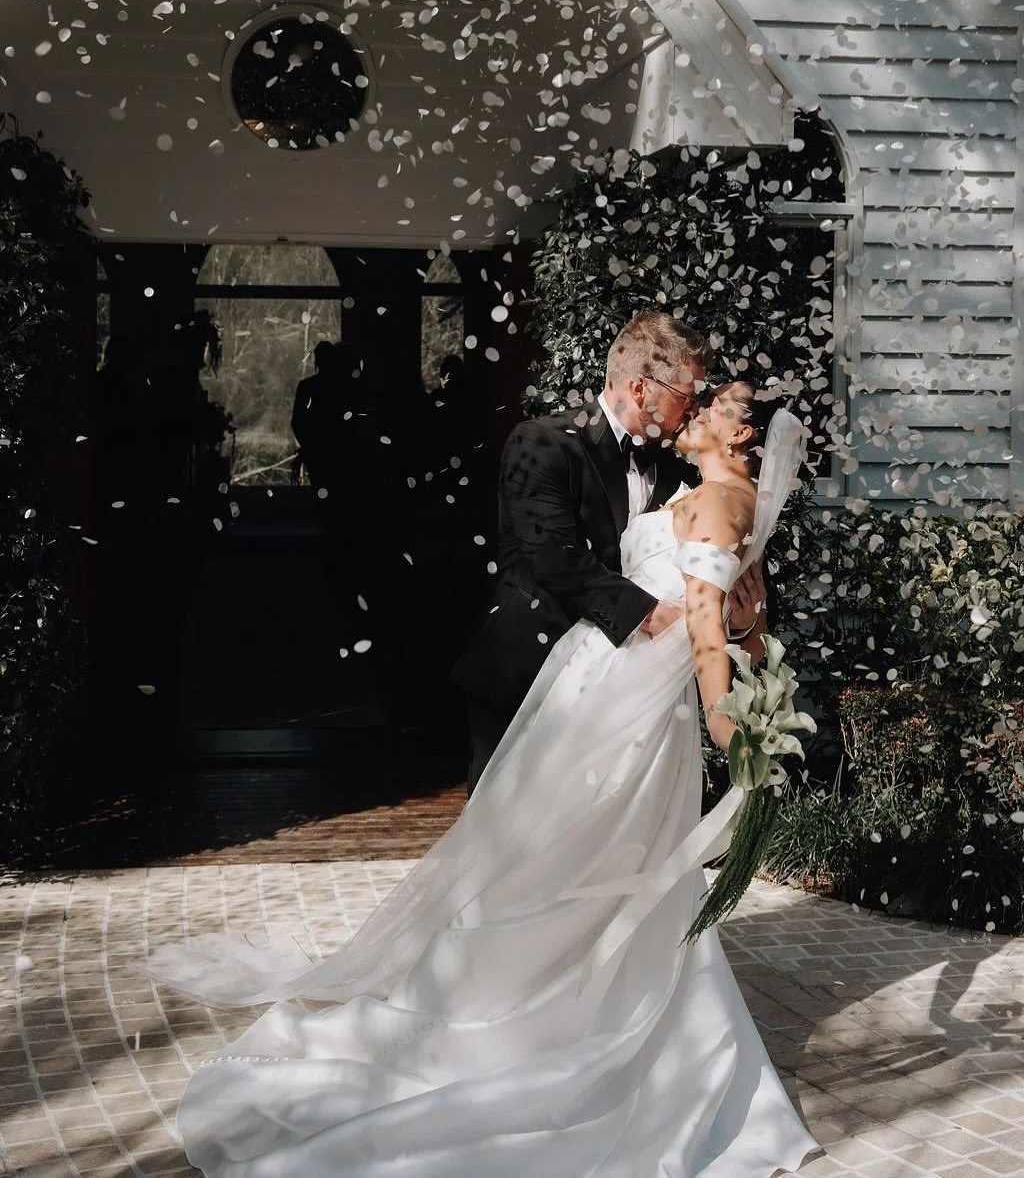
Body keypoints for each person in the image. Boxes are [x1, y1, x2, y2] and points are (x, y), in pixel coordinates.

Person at [143, 380, 816, 1178]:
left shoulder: (719, 502)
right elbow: (742, 612)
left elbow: (715, 620)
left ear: (740, 435)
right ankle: (527, 995)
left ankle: (549, 1019)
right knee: (547, 857)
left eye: (713, 404)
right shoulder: (703, 493)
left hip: (631, 712)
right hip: (599, 690)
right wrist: (735, 635)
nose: (696, 408)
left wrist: (724, 719)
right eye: (693, 395)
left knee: (577, 862)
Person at [453, 311, 761, 792]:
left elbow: (708, 564)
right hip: (529, 672)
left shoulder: (679, 467)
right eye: (687, 395)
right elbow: (553, 558)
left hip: (624, 695)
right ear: (641, 388)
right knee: (512, 840)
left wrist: (736, 621)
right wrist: (655, 616)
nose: (695, 408)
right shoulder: (542, 443)